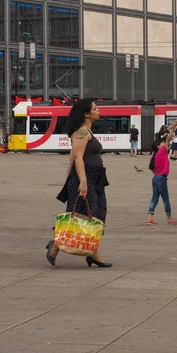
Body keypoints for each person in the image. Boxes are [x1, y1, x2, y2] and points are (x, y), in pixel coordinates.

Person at [48, 99, 112, 268]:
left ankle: (91, 253)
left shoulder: (87, 131)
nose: (98, 110)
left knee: (97, 215)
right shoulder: (81, 132)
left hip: (95, 179)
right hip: (86, 178)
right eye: (95, 108)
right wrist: (81, 182)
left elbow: (71, 157)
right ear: (86, 114)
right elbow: (77, 158)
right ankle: (57, 247)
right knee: (81, 216)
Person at [147, 135, 177, 226]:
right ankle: (169, 218)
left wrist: (157, 174)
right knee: (166, 199)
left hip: (156, 178)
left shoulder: (156, 154)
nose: (164, 144)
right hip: (161, 178)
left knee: (154, 198)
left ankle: (149, 218)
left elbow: (151, 168)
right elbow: (168, 139)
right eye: (162, 143)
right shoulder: (162, 151)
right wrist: (173, 128)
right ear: (158, 146)